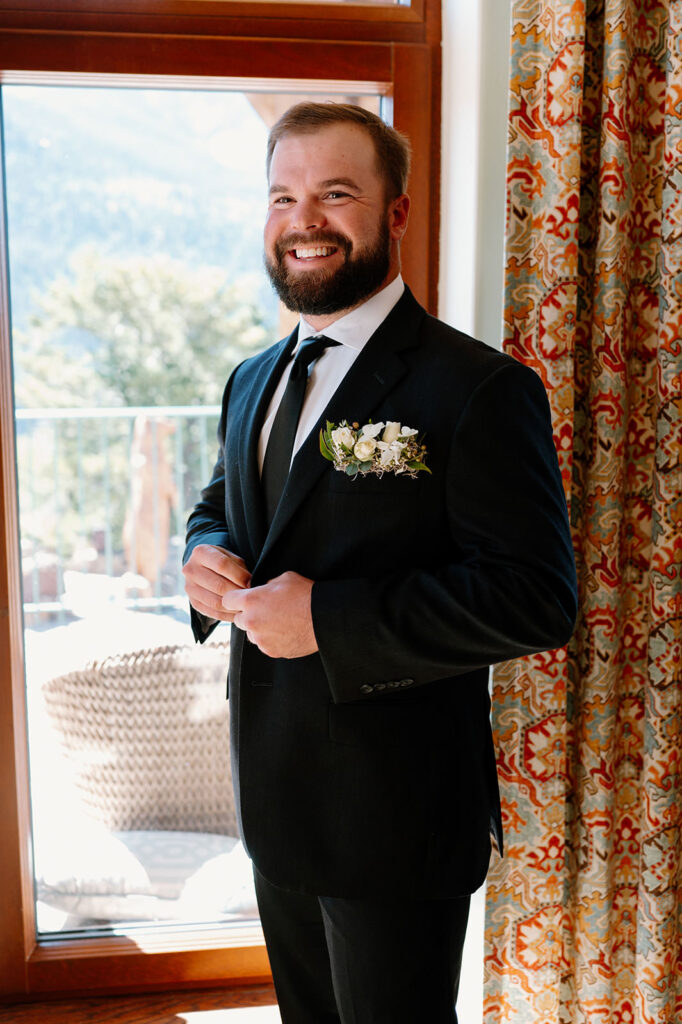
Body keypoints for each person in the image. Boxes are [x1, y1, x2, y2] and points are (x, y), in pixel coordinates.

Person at [182, 102, 577, 1024]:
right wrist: (202, 552)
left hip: (396, 818)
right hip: (273, 802)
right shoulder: (251, 377)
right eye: (283, 196)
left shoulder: (480, 389)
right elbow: (225, 506)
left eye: (335, 193)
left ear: (395, 212)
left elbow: (535, 599)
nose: (303, 219)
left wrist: (327, 619)